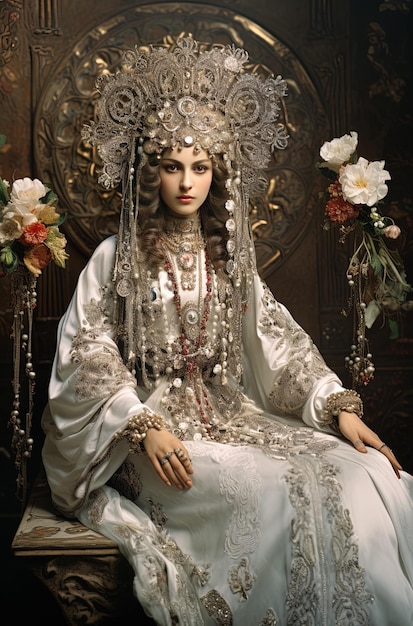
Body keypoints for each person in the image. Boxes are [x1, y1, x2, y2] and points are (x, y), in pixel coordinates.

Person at [41, 37, 413, 625]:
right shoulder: (120, 257)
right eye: (171, 166)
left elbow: (277, 342)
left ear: (219, 173)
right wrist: (140, 424)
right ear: (149, 172)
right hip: (157, 439)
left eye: (200, 167)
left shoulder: (228, 259)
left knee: (358, 472)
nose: (187, 182)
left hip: (234, 416)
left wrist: (335, 405)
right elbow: (87, 347)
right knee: (269, 488)